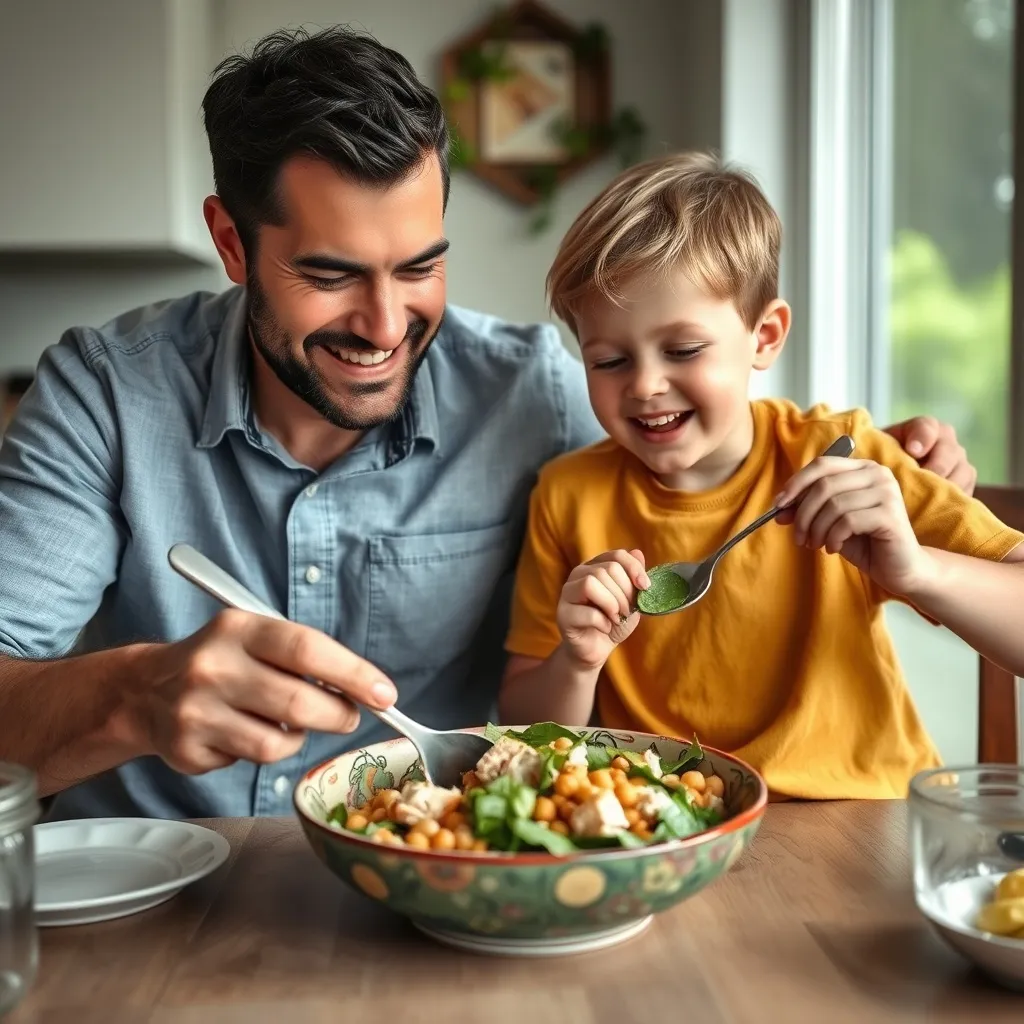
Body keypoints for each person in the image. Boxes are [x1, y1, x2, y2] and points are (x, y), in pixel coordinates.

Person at [0, 28, 980, 821]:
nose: (386, 328)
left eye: (419, 266)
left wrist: (870, 459)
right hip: (148, 883)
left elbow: (687, 460)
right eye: (332, 275)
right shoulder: (105, 394)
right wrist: (136, 692)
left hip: (428, 890)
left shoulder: (534, 392)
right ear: (232, 243)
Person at [499, 152, 1024, 800]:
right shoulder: (567, 494)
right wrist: (578, 660)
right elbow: (524, 732)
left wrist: (916, 570)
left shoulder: (846, 460)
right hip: (670, 831)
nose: (645, 385)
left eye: (683, 350)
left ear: (765, 335)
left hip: (861, 822)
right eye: (608, 360)